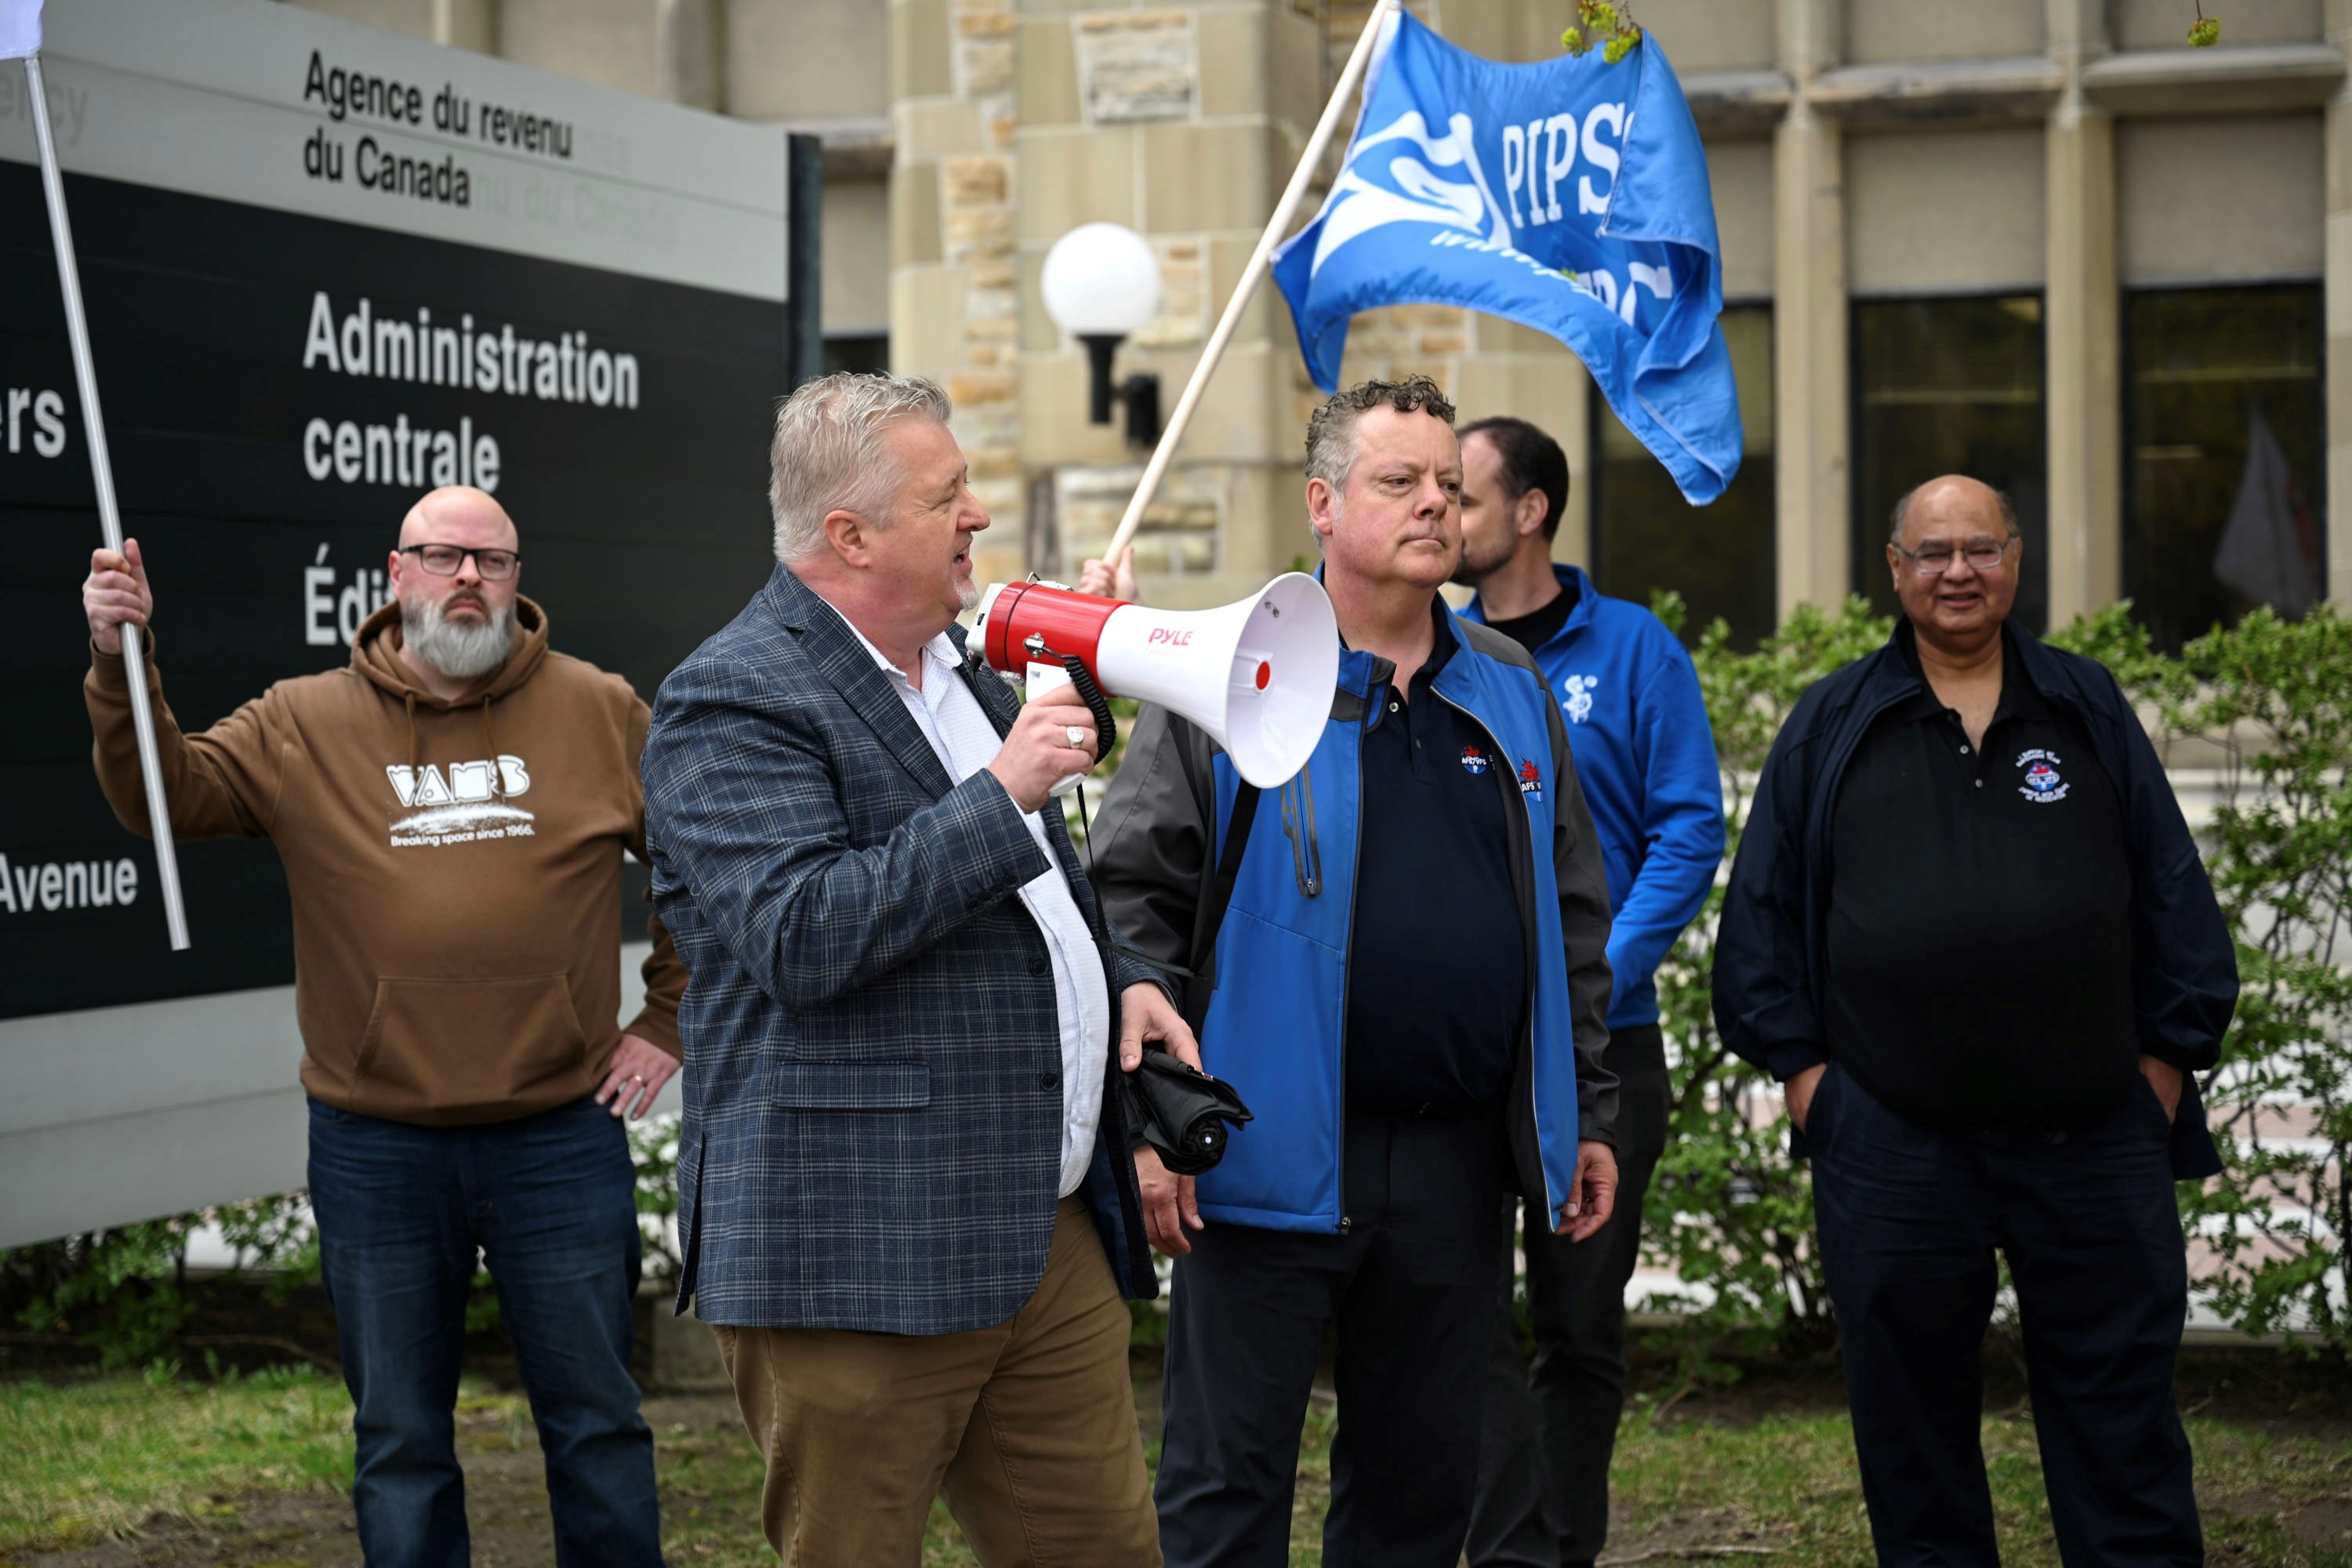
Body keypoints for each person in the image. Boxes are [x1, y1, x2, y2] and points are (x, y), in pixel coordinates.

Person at [638, 372, 1193, 1565]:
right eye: (948, 496)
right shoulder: (731, 696)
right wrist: (1004, 791)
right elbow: (803, 932)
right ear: (850, 534)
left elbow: (1038, 897)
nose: (978, 516)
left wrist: (1122, 975)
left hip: (1041, 1239)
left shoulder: (964, 669)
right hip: (856, 1251)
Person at [82, 486, 682, 1567]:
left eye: (491, 561)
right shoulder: (302, 720)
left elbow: (700, 865)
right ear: (396, 574)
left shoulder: (598, 710)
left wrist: (669, 1018)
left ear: (516, 578)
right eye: (443, 557)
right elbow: (164, 799)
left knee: (597, 1424)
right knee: (400, 1437)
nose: (468, 580)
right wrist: (121, 662)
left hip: (558, 1134)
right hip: (378, 1145)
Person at [1089, 376, 1621, 1568]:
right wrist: (1148, 1127)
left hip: (1453, 1168)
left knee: (1418, 1503)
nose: (1435, 504)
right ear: (1324, 507)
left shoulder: (1512, 691)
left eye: (1449, 484)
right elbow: (1135, 912)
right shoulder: (1227, 676)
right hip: (1258, 1154)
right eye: (1399, 482)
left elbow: (1570, 921)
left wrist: (1585, 1109)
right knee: (1225, 1498)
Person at [1712, 474, 2238, 1568]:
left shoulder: (2085, 707)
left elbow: (2178, 903)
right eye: (1934, 552)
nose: (1959, 571)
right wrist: (1818, 1090)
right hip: (1895, 1153)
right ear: (1895, 571)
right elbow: (1758, 931)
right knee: (1915, 1449)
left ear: (2015, 560)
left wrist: (2160, 1074)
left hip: (2094, 1141)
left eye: (1981, 549)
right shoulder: (1832, 723)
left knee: (2125, 1439)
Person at [1450, 416, 1724, 1568]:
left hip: (1605, 1056)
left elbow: (1688, 826)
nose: (1437, 514)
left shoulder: (1637, 649)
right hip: (1467, 1058)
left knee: (1577, 1326)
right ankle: (1491, 1542)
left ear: (1531, 511)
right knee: (1456, 1320)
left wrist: (1599, 972)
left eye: (1459, 495)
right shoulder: (1439, 658)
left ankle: (1563, 1548)